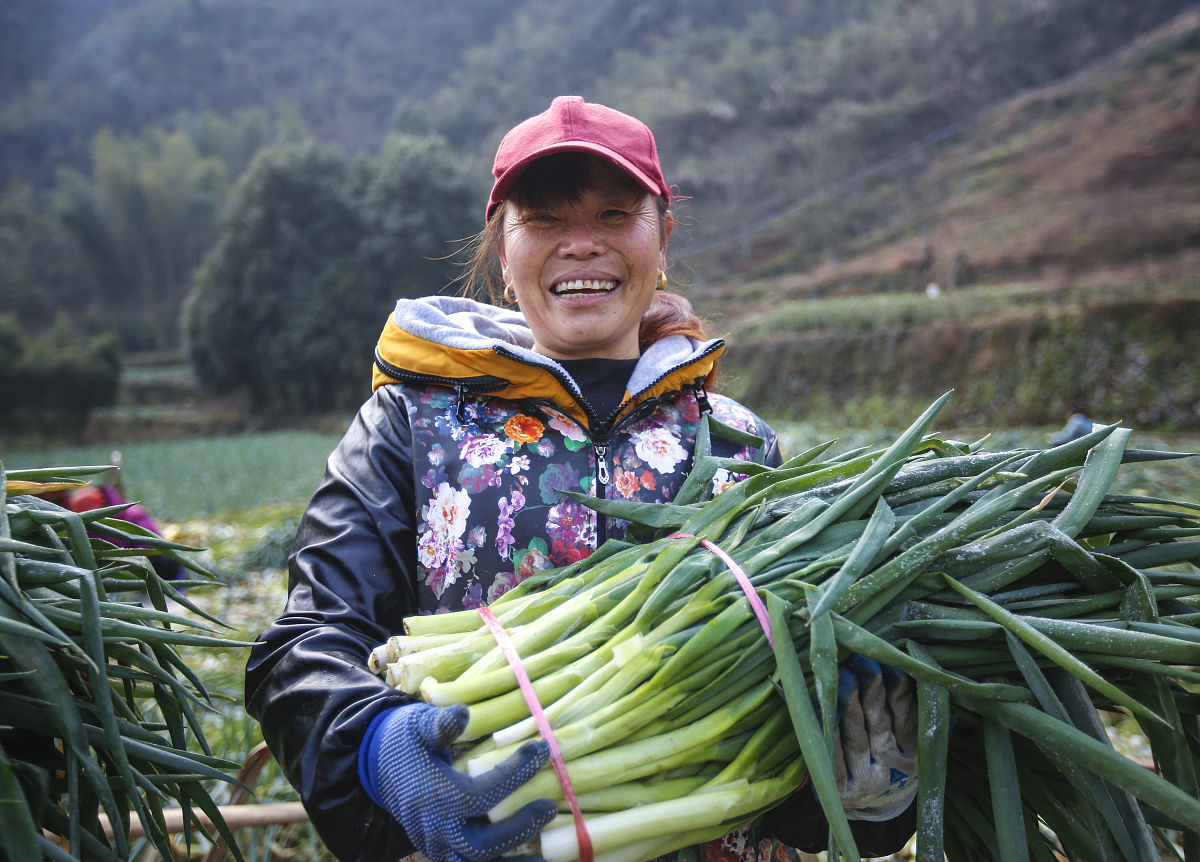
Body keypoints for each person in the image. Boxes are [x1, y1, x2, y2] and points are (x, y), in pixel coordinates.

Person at [245, 96, 917, 862]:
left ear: (660, 239)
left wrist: (864, 798)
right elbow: (303, 644)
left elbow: (788, 735)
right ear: (504, 252)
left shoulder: (740, 446)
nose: (582, 245)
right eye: (545, 220)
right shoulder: (408, 425)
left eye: (613, 214)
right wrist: (373, 743)